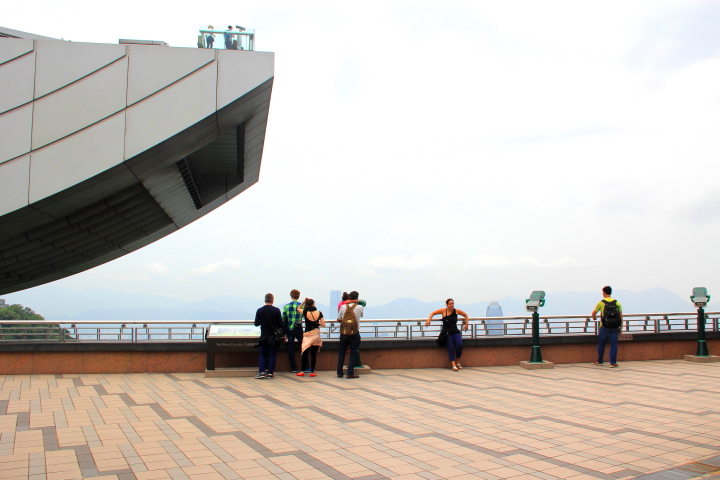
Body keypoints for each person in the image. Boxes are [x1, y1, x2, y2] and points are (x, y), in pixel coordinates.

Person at [426, 299, 469, 371]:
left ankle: (457, 361)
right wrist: (428, 320)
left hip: (455, 331)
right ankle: (453, 364)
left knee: (459, 344)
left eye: (452, 303)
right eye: (450, 304)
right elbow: (433, 313)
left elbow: (465, 315)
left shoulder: (456, 311)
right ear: (447, 305)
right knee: (450, 347)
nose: (451, 305)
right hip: (447, 333)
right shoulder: (443, 311)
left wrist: (466, 324)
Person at [592, 286, 623, 368]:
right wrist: (621, 328)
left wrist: (594, 318)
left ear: (604, 293)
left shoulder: (601, 303)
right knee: (614, 345)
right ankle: (612, 363)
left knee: (601, 344)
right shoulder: (617, 303)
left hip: (604, 326)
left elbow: (593, 313)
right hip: (615, 327)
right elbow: (620, 317)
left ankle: (600, 361)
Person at [254, 293, 283, 379]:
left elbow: (256, 323)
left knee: (262, 353)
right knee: (272, 354)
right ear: (272, 301)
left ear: (265, 300)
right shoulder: (277, 310)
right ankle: (270, 372)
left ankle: (262, 372)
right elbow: (280, 324)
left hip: (264, 336)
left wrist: (262, 321)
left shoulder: (260, 310)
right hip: (273, 337)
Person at [337, 291, 363, 379]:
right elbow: (361, 316)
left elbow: (338, 319)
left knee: (341, 352)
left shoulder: (343, 306)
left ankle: (339, 372)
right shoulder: (360, 307)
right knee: (353, 352)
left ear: (349, 297)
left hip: (344, 332)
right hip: (354, 332)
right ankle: (350, 373)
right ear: (357, 298)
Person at [296, 298, 325, 377]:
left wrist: (302, 303)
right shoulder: (319, 313)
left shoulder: (305, 312)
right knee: (313, 354)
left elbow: (298, 309)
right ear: (313, 304)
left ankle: (302, 371)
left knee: (304, 352)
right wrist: (317, 323)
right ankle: (312, 372)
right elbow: (323, 325)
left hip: (307, 334)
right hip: (316, 334)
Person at [282, 289, 303, 373]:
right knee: (303, 347)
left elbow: (282, 318)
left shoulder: (286, 306)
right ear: (298, 296)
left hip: (290, 329)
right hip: (298, 328)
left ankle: (293, 367)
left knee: (290, 348)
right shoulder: (301, 306)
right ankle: (306, 366)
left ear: (291, 296)